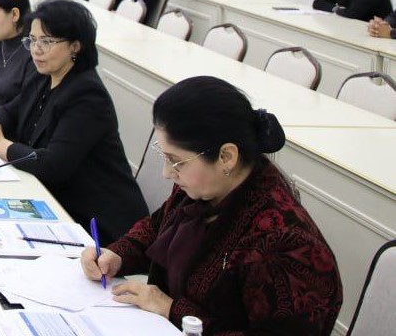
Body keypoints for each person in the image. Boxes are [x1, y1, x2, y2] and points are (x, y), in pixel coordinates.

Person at [82, 76, 343, 334]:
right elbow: (158, 228)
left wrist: (172, 309)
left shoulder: (283, 243)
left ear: (226, 157)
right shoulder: (205, 188)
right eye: (165, 156)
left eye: (176, 161)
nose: (167, 173)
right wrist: (117, 256)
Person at [0, 0, 147, 245]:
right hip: (52, 199)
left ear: (75, 46)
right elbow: (10, 112)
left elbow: (54, 165)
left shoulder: (87, 95)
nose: (36, 50)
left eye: (46, 42)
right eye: (32, 40)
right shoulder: (42, 75)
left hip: (96, 223)